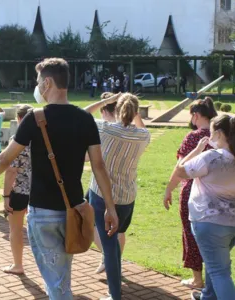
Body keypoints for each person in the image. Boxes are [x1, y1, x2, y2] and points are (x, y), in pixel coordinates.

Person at [0, 58, 119, 300]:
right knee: (60, 279)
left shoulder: (34, 117)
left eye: (39, 81)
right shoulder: (85, 119)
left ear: (48, 82)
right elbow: (99, 166)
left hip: (43, 213)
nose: (37, 86)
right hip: (74, 209)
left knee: (57, 285)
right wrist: (110, 208)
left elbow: (4, 159)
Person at [164, 115, 235, 300]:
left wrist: (196, 150)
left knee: (219, 271)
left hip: (209, 223)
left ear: (218, 133)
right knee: (216, 262)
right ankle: (208, 296)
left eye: (212, 132)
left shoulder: (209, 157)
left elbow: (180, 170)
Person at [84, 92, 150, 300]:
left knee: (109, 248)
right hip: (127, 196)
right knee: (114, 241)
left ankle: (114, 294)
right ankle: (114, 287)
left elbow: (82, 114)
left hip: (103, 195)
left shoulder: (106, 128)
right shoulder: (143, 136)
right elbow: (141, 127)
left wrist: (105, 101)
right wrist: (134, 111)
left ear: (117, 108)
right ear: (135, 111)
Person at [168, 97, 218, 289]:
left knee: (191, 233)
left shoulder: (192, 138)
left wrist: (168, 189)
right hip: (216, 191)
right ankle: (213, 279)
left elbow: (180, 168)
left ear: (196, 115)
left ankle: (197, 279)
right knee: (212, 237)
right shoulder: (220, 136)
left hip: (192, 192)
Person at [2, 104, 33, 276]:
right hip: (40, 190)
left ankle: (18, 264)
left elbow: (10, 170)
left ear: (20, 119)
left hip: (20, 190)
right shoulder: (44, 137)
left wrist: (6, 196)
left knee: (15, 229)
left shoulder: (17, 139)